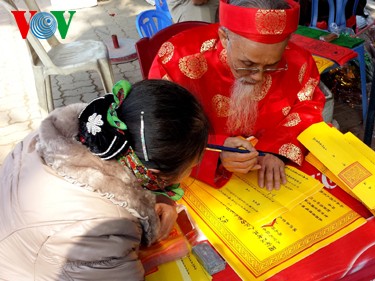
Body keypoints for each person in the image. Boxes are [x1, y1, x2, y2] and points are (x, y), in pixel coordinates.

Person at [0, 79, 210, 279]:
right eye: (192, 166)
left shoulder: (73, 135)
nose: (191, 172)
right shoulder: (107, 226)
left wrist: (159, 199)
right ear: (155, 175)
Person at [149, 0, 326, 191]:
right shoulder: (177, 57)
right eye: (247, 64)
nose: (258, 77)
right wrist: (216, 150)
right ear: (224, 37)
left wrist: (276, 150)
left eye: (270, 66)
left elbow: (307, 106)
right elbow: (160, 126)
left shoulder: (298, 60)